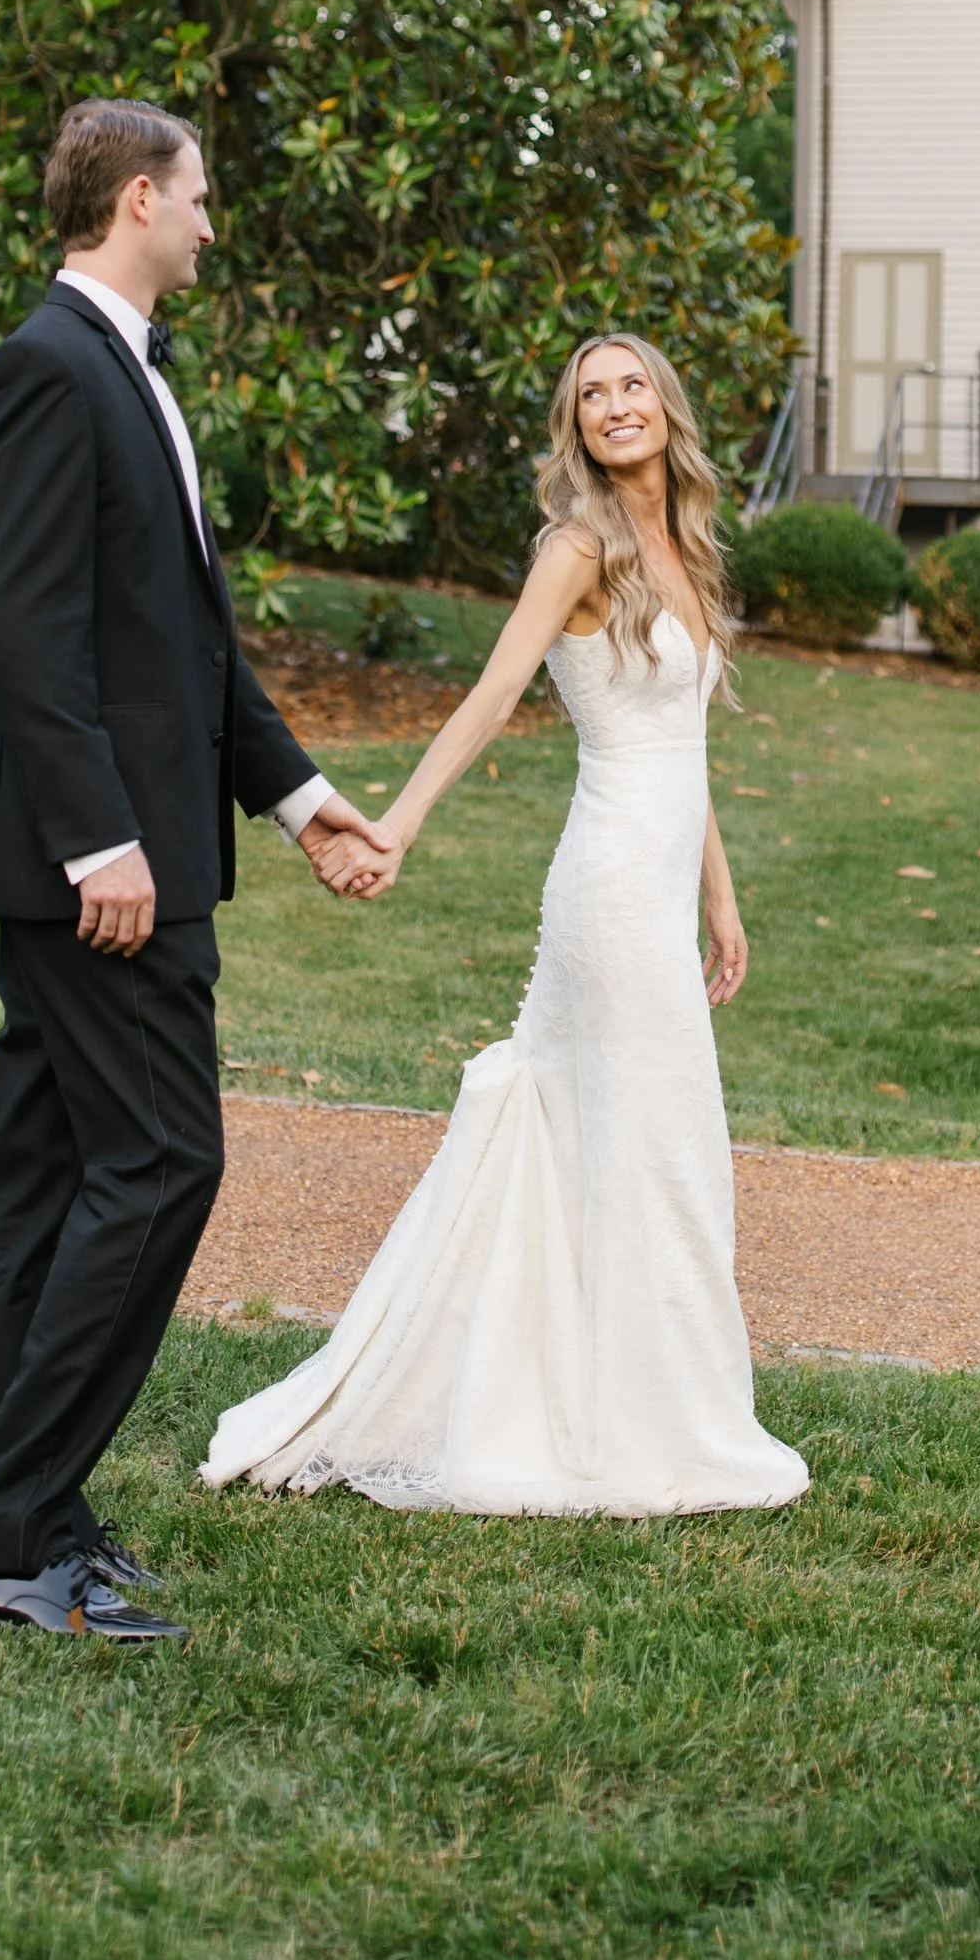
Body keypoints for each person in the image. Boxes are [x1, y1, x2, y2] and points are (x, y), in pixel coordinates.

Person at [200, 332, 808, 1519]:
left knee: (660, 1144)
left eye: (632, 385)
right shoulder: (577, 548)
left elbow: (680, 745)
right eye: (592, 394)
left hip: (659, 875)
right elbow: (490, 695)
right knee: (640, 1142)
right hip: (607, 893)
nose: (615, 405)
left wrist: (720, 894)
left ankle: (652, 1395)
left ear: (666, 408)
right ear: (573, 427)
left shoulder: (682, 546)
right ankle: (611, 1419)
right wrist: (398, 825)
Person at [0, 97, 398, 1642]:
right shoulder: (48, 367)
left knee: (57, 1183)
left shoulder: (125, 374)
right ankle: (11, 1536)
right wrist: (100, 842)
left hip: (136, 849)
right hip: (102, 872)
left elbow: (181, 644)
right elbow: (28, 631)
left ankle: (26, 1519)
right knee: (160, 1167)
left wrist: (303, 800)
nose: (212, 224)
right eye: (201, 199)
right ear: (140, 198)